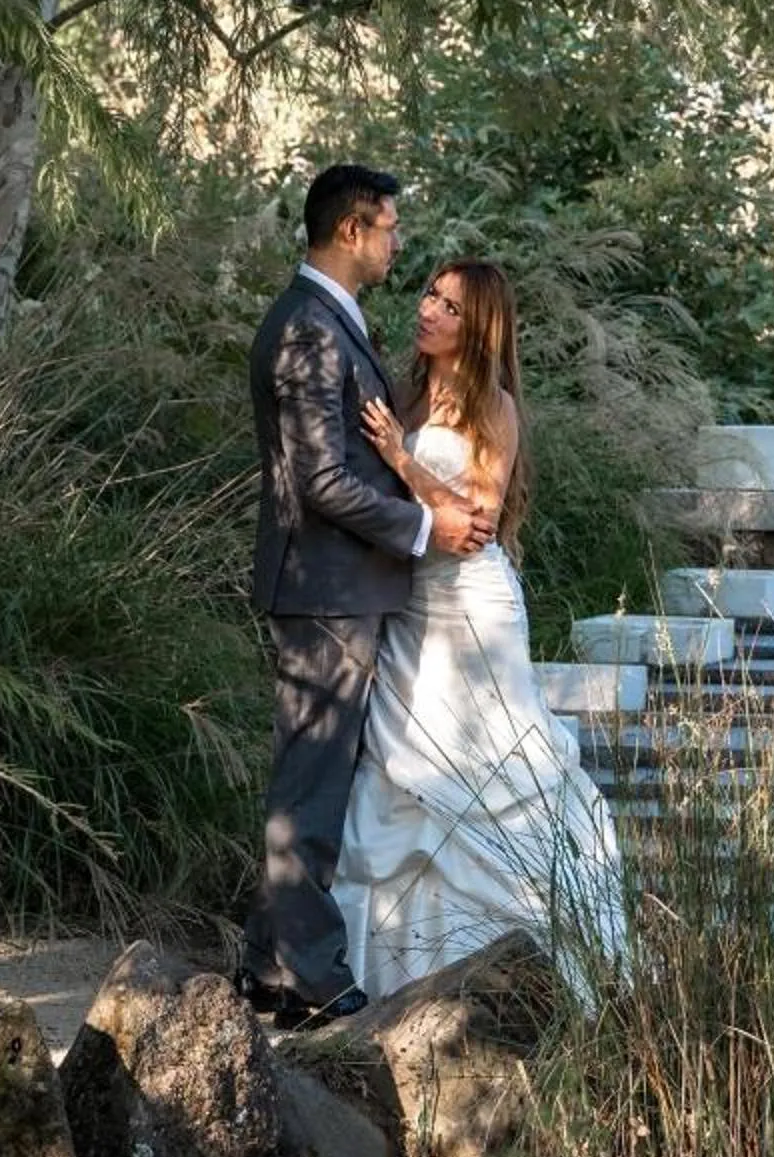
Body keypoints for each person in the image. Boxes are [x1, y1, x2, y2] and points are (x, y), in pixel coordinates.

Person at [336, 257, 627, 999]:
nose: (428, 309)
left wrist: (403, 461)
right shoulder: (400, 396)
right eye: (430, 294)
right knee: (400, 778)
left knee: (500, 769)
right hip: (410, 608)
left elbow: (480, 522)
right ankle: (401, 985)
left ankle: (537, 976)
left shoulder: (492, 405)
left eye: (451, 306)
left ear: (480, 326)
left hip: (473, 607)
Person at [242, 165, 493, 1027]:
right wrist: (425, 533)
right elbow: (319, 479)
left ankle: (268, 965)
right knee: (310, 788)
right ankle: (311, 979)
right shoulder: (310, 327)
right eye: (388, 229)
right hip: (326, 589)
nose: (396, 243)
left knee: (312, 779)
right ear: (352, 231)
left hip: (339, 586)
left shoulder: (327, 319)